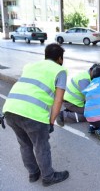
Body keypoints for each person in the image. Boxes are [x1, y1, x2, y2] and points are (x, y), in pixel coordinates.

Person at [2, 44, 69, 186]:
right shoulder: (60, 70)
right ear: (60, 59)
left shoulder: (30, 66)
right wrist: (51, 122)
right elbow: (58, 100)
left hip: (10, 109)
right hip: (33, 114)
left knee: (24, 144)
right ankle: (48, 177)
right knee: (41, 146)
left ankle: (33, 173)